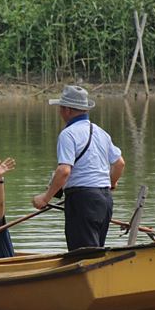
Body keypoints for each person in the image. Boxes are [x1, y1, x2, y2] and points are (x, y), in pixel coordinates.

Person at [32, 85, 125, 251]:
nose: (60, 112)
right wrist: (111, 183)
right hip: (104, 201)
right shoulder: (101, 132)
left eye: (61, 108)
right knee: (96, 251)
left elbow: (64, 171)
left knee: (83, 255)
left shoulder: (68, 134)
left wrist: (45, 198)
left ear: (67, 110)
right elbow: (119, 164)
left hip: (83, 200)